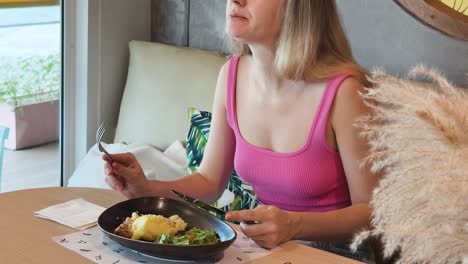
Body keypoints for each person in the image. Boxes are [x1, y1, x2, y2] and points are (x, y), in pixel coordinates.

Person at [103, 0, 378, 261]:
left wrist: (295, 225)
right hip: (268, 249)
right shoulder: (231, 75)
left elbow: (373, 213)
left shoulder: (346, 92)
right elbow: (210, 182)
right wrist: (147, 188)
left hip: (337, 255)